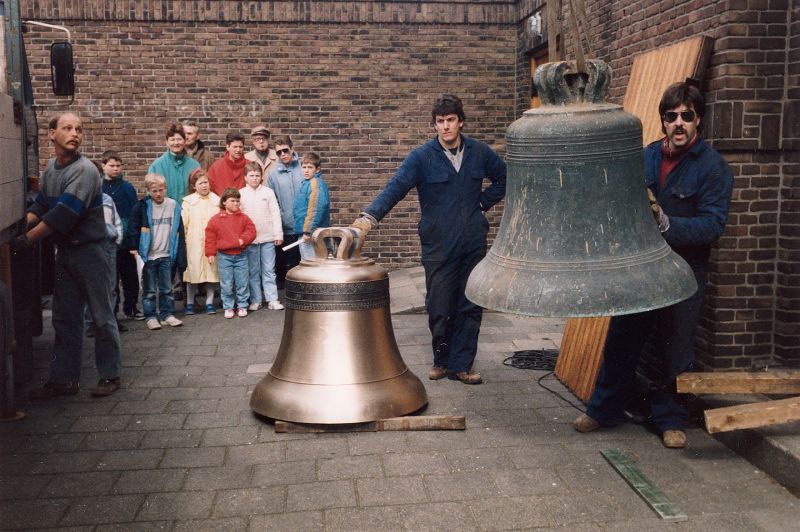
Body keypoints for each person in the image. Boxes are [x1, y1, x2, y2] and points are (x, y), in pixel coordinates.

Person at [573, 82, 734, 449]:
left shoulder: (713, 168)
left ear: (698, 120)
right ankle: (603, 410)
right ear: (662, 121)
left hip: (683, 272)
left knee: (675, 350)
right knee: (622, 340)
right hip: (640, 269)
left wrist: (666, 223)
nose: (678, 123)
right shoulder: (645, 157)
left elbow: (713, 225)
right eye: (671, 116)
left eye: (686, 116)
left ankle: (670, 420)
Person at [352, 94, 506, 385]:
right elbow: (395, 187)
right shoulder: (421, 158)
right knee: (439, 305)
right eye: (440, 121)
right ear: (435, 125)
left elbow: (504, 178)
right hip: (438, 244)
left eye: (451, 120)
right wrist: (368, 218)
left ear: (461, 122)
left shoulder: (479, 152)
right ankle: (442, 360)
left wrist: (482, 204)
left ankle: (461, 365)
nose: (445, 126)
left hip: (472, 241)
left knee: (470, 304)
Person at [22, 113, 122, 399]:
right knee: (64, 319)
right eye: (67, 128)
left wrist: (23, 240)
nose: (75, 133)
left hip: (92, 253)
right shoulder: (51, 169)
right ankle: (63, 380)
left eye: (79, 129)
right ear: (51, 133)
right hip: (65, 254)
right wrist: (20, 224)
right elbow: (41, 206)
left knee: (101, 317)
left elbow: (63, 215)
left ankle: (110, 375)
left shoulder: (86, 171)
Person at [126, 173, 187, 331]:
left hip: (166, 254)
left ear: (165, 189)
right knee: (149, 290)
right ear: (148, 191)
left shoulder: (173, 205)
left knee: (167, 288)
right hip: (148, 256)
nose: (158, 194)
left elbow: (179, 229)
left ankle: (167, 314)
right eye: (154, 191)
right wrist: (134, 248)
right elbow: (133, 228)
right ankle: (151, 316)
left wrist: (179, 252)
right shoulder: (142, 207)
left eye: (161, 190)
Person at [101, 150, 141, 320]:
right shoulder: (99, 187)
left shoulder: (127, 187)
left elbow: (134, 213)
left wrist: (132, 238)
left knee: (130, 276)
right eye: (112, 165)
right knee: (112, 278)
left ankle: (131, 307)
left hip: (126, 238)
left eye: (118, 165)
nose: (116, 169)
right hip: (108, 239)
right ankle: (113, 312)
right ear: (103, 166)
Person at [205, 187, 257, 319]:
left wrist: (242, 240)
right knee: (226, 284)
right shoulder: (216, 219)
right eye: (232, 201)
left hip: (241, 255)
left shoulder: (244, 218)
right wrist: (210, 253)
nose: (236, 203)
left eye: (238, 201)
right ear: (224, 202)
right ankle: (228, 306)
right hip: (224, 256)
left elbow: (251, 231)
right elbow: (210, 237)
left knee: (242, 282)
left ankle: (242, 305)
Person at [239, 161, 284, 311]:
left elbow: (275, 213)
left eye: (257, 175)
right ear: (245, 177)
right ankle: (256, 300)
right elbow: (239, 217)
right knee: (253, 271)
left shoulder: (268, 192)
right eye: (251, 176)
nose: (254, 178)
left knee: (269, 269)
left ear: (261, 177)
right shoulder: (241, 194)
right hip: (250, 240)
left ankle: (272, 299)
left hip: (268, 237)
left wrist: (278, 234)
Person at [267, 135, 304, 287]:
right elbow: (272, 200)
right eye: (279, 152)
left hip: (305, 224)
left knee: (306, 262)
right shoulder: (273, 174)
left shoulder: (304, 167)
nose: (283, 154)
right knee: (291, 262)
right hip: (286, 225)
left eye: (285, 150)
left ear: (292, 149)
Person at [181, 168, 220, 315]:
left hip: (211, 242)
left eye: (206, 182)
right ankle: (190, 302)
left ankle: (209, 302)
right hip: (194, 242)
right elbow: (184, 224)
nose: (204, 186)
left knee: (211, 272)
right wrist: (185, 242)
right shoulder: (188, 202)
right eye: (200, 183)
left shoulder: (216, 200)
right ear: (194, 186)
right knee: (193, 272)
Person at [148, 122, 201, 203]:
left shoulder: (194, 165)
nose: (176, 143)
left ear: (184, 141)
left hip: (189, 209)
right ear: (167, 142)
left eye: (179, 139)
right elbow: (151, 195)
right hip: (165, 210)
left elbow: (199, 193)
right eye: (172, 139)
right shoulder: (156, 166)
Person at [294, 152, 331, 261]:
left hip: (312, 234)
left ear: (317, 169)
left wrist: (308, 231)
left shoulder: (315, 183)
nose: (306, 170)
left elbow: (315, 209)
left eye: (310, 167)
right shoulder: (306, 183)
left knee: (312, 265)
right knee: (307, 264)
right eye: (304, 167)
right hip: (306, 232)